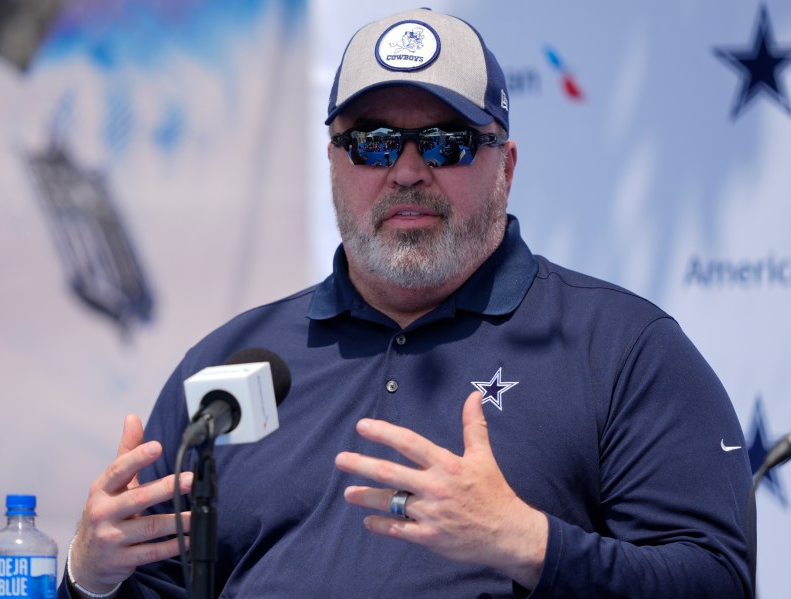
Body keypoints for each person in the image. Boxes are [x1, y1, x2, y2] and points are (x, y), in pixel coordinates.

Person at [59, 8, 753, 598]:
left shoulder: (620, 347)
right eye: (373, 143)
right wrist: (89, 577)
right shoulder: (232, 365)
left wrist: (531, 543)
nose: (409, 170)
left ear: (505, 168)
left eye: (448, 144)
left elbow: (718, 578)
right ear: (334, 163)